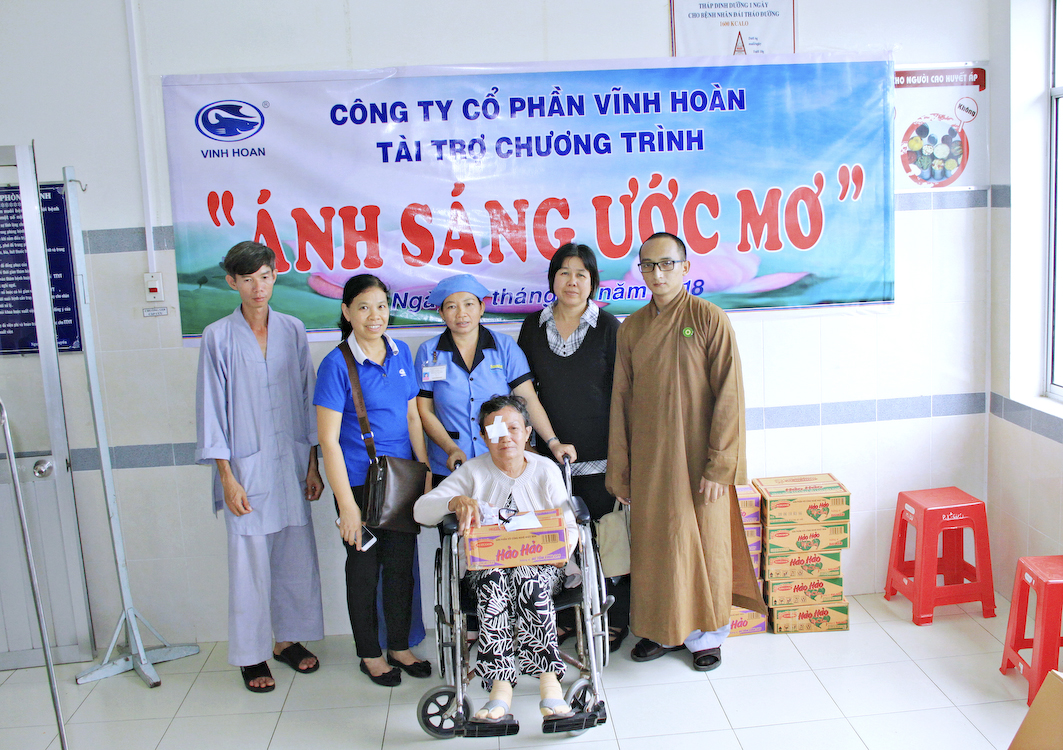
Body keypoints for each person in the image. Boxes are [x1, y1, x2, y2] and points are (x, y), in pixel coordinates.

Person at [605, 232, 765, 672]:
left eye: (667, 264)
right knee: (656, 547)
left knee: (705, 546)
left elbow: (730, 396)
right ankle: (661, 630)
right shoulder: (632, 328)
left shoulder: (709, 318)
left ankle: (706, 636)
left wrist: (720, 465)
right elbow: (621, 400)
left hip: (699, 462)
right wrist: (621, 470)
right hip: (651, 460)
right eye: (648, 265)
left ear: (685, 267)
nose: (657, 274)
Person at [195, 240, 324, 693]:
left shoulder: (292, 329)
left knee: (294, 556)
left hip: (291, 463)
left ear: (275, 276)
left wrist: (313, 465)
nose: (257, 288)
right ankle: (251, 655)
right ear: (232, 282)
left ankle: (286, 640)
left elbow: (308, 399)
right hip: (244, 469)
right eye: (247, 279)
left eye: (264, 277)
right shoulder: (217, 337)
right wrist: (226, 478)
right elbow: (211, 411)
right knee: (249, 565)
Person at [414, 395, 579, 724]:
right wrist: (454, 502)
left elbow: (569, 524)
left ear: (527, 432)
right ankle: (500, 689)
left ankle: (550, 684)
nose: (505, 437)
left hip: (543, 569)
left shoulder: (546, 470)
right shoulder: (473, 472)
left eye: (513, 428)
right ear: (483, 436)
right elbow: (420, 511)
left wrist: (562, 551)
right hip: (486, 572)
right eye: (495, 431)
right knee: (494, 582)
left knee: (528, 578)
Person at [314, 274, 433, 687]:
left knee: (400, 567)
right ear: (346, 312)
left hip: (401, 480)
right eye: (363, 307)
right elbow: (328, 441)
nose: (374, 315)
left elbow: (413, 416)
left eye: (381, 306)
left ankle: (399, 646)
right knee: (364, 571)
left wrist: (424, 471)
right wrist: (346, 506)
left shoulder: (401, 353)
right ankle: (369, 653)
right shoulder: (336, 365)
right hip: (359, 485)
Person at [516, 242, 629, 652]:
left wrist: (624, 456)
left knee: (606, 539)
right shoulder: (533, 327)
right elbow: (524, 391)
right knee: (556, 540)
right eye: (564, 272)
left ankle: (613, 619)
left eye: (582, 274)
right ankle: (564, 618)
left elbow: (624, 393)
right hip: (549, 457)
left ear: (593, 282)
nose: (572, 281)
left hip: (600, 455)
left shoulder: (610, 327)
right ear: (552, 279)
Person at [414, 273, 576, 483]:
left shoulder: (505, 347)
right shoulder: (428, 353)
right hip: (449, 464)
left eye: (469, 304)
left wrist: (553, 442)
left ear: (481, 308)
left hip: (500, 461)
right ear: (442, 313)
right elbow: (424, 411)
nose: (461, 313)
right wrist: (450, 448)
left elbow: (528, 399)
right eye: (452, 306)